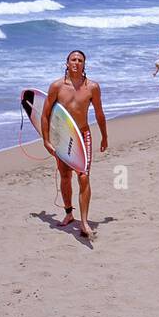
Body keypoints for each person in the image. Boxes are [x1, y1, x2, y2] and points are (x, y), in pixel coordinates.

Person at [42, 50, 109, 239]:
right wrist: (46, 140)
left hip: (83, 135)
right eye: (73, 59)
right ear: (67, 63)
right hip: (62, 136)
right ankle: (69, 213)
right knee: (65, 176)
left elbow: (99, 114)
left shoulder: (92, 87)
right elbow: (45, 114)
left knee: (84, 177)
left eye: (80, 60)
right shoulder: (57, 86)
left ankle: (84, 222)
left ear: (84, 64)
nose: (76, 63)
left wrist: (104, 136)